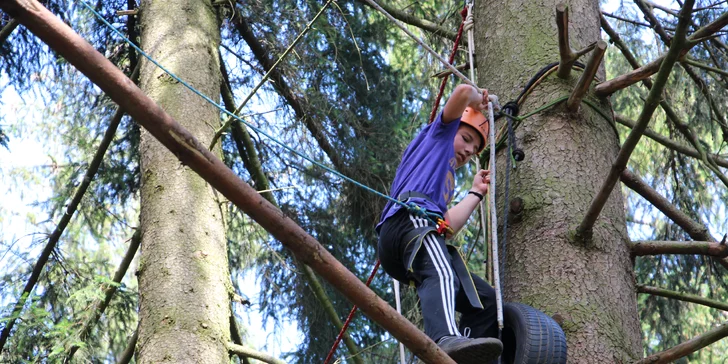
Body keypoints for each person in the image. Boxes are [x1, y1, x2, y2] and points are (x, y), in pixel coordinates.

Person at [376, 84, 502, 363]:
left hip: (420, 232)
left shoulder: (446, 178)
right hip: (405, 222)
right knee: (442, 273)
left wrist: (475, 193)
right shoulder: (439, 136)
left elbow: (446, 225)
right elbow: (460, 93)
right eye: (467, 139)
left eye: (474, 150)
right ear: (454, 128)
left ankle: (467, 354)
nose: (469, 150)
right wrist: (477, 100)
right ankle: (445, 340)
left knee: (485, 302)